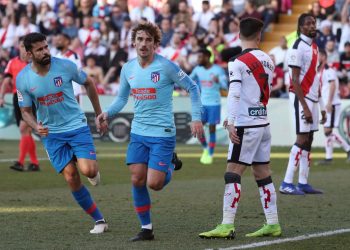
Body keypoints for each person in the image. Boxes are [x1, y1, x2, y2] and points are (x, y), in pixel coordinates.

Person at [96, 22, 203, 241]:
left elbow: (193, 87)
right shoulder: (128, 68)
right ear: (134, 42)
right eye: (140, 39)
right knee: (137, 179)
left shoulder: (167, 67)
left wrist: (197, 119)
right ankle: (146, 228)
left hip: (162, 133)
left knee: (154, 183)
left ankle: (171, 163)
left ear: (155, 44)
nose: (144, 44)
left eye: (148, 40)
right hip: (138, 132)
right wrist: (107, 113)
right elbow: (122, 98)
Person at [16, 32, 108, 234]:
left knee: (89, 171)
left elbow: (89, 83)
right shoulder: (23, 79)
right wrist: (35, 126)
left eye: (46, 47)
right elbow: (25, 112)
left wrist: (99, 114)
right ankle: (99, 220)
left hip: (76, 126)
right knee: (71, 176)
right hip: (52, 133)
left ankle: (88, 166)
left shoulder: (65, 66)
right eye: (39, 49)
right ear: (30, 53)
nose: (45, 51)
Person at [199, 17, 281, 240]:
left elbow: (235, 93)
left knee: (232, 173)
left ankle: (227, 224)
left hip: (246, 124)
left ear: (238, 35)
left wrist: (231, 121)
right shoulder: (269, 60)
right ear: (259, 35)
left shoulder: (237, 61)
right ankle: (273, 223)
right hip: (263, 123)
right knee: (262, 173)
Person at [279, 13, 324, 195]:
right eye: (308, 23)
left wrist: (320, 104)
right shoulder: (296, 47)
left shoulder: (314, 47)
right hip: (301, 98)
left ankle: (303, 182)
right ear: (300, 27)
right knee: (302, 138)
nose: (313, 25)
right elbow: (295, 80)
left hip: (312, 98)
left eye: (314, 22)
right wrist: (305, 106)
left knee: (309, 139)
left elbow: (315, 78)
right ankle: (286, 182)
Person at [0, 37, 40, 171]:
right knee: (25, 131)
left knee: (24, 129)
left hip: (31, 96)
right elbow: (6, 81)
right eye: (22, 46)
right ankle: (34, 163)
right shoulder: (12, 62)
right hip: (17, 97)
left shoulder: (34, 63)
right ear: (18, 47)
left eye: (26, 46)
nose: (23, 49)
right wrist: (1, 96)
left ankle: (20, 162)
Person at [190, 48, 227, 164]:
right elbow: (188, 79)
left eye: (200, 57)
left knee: (212, 128)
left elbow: (225, 86)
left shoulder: (218, 70)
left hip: (214, 103)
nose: (198, 59)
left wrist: (218, 81)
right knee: (198, 127)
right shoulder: (197, 69)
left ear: (207, 57)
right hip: (203, 103)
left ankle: (210, 154)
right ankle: (205, 148)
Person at [316, 49, 350, 165]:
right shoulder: (319, 72)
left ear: (324, 57)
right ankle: (329, 157)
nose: (317, 58)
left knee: (327, 131)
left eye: (319, 55)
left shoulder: (329, 70)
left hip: (332, 104)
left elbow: (333, 85)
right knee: (328, 131)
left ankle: (346, 149)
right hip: (326, 104)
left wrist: (329, 102)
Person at [55, 33, 83, 100]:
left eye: (60, 40)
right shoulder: (56, 56)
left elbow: (77, 74)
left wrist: (76, 93)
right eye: (57, 40)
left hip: (72, 91)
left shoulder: (73, 56)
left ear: (67, 41)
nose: (57, 42)